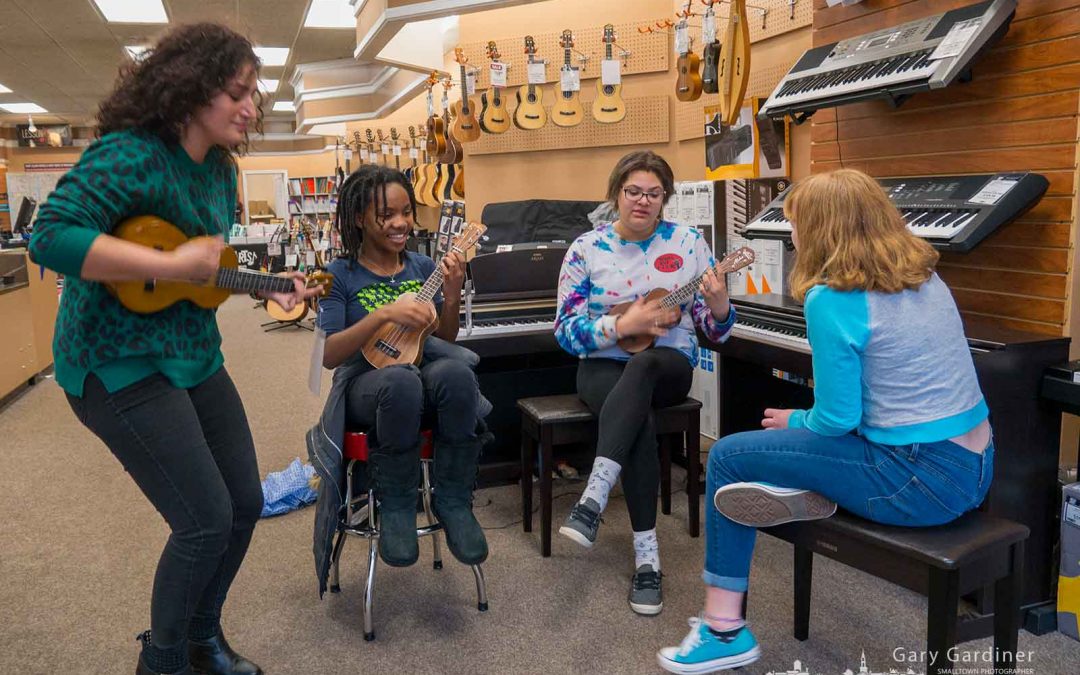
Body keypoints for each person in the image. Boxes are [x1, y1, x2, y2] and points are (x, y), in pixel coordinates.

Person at [28, 23, 319, 675]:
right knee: (204, 518)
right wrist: (168, 262)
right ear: (191, 89)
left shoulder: (221, 169)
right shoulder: (128, 155)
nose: (251, 107)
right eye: (237, 92)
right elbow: (50, 237)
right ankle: (161, 662)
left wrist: (269, 284)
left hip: (193, 349)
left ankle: (200, 634)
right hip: (115, 359)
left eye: (254, 93)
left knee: (244, 500)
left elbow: (201, 266)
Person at [657, 168, 994, 674]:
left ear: (821, 231)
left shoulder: (831, 299)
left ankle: (724, 630)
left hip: (916, 481)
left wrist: (797, 417)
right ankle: (807, 486)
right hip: (978, 464)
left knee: (727, 457)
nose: (792, 236)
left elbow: (837, 418)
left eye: (796, 225)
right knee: (790, 443)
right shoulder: (924, 274)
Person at [554, 150, 736, 616]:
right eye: (634, 191)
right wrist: (619, 326)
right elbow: (565, 331)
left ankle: (594, 496)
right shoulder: (586, 249)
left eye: (654, 194)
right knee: (635, 421)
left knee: (644, 369)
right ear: (617, 193)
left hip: (666, 367)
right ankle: (647, 558)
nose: (643, 201)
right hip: (600, 364)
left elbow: (715, 334)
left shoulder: (689, 242)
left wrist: (717, 308)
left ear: (665, 199)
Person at [312, 164, 489, 571]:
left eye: (406, 212)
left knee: (458, 373)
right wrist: (383, 315)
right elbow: (329, 355)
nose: (400, 223)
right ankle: (396, 506)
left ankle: (454, 499)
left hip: (417, 374)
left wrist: (452, 289)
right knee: (399, 382)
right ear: (359, 218)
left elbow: (443, 339)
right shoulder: (339, 276)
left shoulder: (422, 268)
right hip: (365, 386)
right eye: (386, 214)